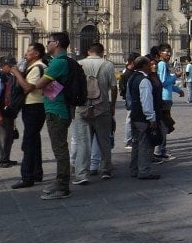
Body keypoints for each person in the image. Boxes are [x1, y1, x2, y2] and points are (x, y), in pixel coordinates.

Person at [10, 31, 74, 200]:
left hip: (57, 110)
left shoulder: (57, 63)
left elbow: (36, 85)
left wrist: (17, 73)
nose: (47, 44)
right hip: (54, 108)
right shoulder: (54, 62)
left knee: (59, 150)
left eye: (49, 41)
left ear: (57, 44)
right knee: (54, 147)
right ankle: (58, 181)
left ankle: (62, 187)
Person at [70, 42, 118, 184]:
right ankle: (106, 170)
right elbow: (114, 88)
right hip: (102, 107)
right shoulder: (108, 65)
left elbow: (73, 86)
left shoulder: (79, 64)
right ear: (102, 52)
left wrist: (73, 107)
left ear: (89, 52)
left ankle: (81, 174)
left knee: (82, 142)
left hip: (82, 107)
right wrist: (112, 105)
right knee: (104, 141)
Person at [11, 43, 47, 189]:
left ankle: (27, 176)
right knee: (34, 140)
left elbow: (29, 87)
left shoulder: (38, 67)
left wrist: (16, 73)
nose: (26, 53)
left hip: (34, 106)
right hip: (34, 106)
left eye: (29, 51)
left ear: (37, 54)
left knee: (28, 142)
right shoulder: (36, 66)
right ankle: (37, 173)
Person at [124, 56, 162, 181]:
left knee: (136, 144)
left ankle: (134, 169)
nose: (151, 66)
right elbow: (146, 101)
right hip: (143, 117)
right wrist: (151, 118)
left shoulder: (132, 77)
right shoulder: (144, 80)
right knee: (145, 144)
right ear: (144, 66)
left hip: (134, 115)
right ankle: (144, 171)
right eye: (149, 64)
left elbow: (129, 96)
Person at [153, 44, 184, 161]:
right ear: (160, 53)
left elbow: (167, 83)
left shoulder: (164, 64)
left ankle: (161, 150)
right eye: (167, 52)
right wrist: (175, 76)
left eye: (170, 52)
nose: (169, 54)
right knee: (164, 125)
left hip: (167, 97)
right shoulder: (161, 64)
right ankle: (159, 151)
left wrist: (177, 90)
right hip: (164, 98)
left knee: (165, 124)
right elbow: (162, 82)